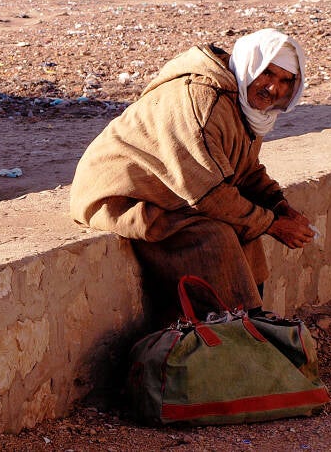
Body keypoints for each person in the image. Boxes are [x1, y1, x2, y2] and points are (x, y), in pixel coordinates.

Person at [69, 28, 315, 324]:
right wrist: (272, 224)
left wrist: (278, 205)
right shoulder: (205, 101)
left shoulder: (242, 103)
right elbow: (209, 194)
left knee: (246, 232)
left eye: (285, 80)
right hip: (122, 196)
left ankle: (250, 324)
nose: (273, 88)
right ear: (250, 65)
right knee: (216, 237)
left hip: (174, 191)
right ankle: (230, 330)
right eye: (267, 73)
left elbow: (245, 169)